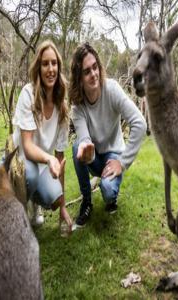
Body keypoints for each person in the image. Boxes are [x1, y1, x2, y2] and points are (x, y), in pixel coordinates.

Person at [69, 42, 147, 227]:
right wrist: (84, 149)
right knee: (75, 148)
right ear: (79, 78)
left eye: (95, 67)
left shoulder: (111, 89)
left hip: (113, 154)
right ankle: (86, 202)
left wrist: (123, 162)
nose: (93, 74)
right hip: (94, 157)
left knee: (108, 190)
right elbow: (84, 138)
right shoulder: (77, 106)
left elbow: (140, 124)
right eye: (87, 71)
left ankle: (111, 198)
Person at [13, 40, 72, 232]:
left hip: (42, 163)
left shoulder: (62, 104)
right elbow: (28, 146)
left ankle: (35, 204)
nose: (50, 69)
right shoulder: (28, 95)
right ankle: (18, 217)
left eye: (54, 63)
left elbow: (61, 156)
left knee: (54, 196)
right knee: (29, 174)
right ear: (38, 67)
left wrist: (63, 205)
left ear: (59, 66)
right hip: (22, 158)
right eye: (45, 63)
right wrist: (49, 159)